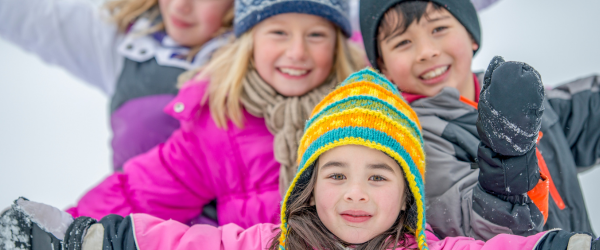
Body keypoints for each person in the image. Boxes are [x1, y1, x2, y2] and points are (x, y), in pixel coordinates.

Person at [1, 68, 596, 250]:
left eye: (378, 174)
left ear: (410, 190)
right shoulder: (268, 244)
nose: (355, 193)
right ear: (310, 184)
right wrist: (77, 236)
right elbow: (173, 243)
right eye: (336, 174)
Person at [64, 0, 365, 228]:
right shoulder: (221, 123)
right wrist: (67, 225)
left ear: (338, 45)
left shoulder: (365, 112)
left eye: (315, 35)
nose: (297, 52)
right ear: (250, 42)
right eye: (279, 32)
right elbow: (141, 191)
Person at [359, 0, 597, 240]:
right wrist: (507, 158)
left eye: (438, 29)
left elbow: (587, 113)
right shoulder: (413, 139)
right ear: (382, 67)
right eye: (403, 42)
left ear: (471, 36)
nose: (427, 51)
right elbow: (475, 227)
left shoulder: (517, 94)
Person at [0, 0, 234, 171]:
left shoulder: (260, 64)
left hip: (216, 235)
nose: (181, 5)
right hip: (127, 232)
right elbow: (34, 19)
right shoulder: (128, 42)